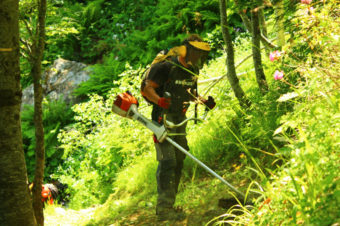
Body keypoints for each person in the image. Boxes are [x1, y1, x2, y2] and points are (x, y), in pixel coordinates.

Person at [141, 34, 216, 221]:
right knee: (168, 160)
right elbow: (146, 87)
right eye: (197, 53)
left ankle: (170, 206)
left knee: (180, 158)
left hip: (180, 118)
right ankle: (163, 209)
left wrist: (204, 101)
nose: (199, 57)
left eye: (201, 54)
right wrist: (160, 100)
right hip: (162, 118)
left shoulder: (192, 70)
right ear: (187, 50)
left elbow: (190, 93)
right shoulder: (167, 66)